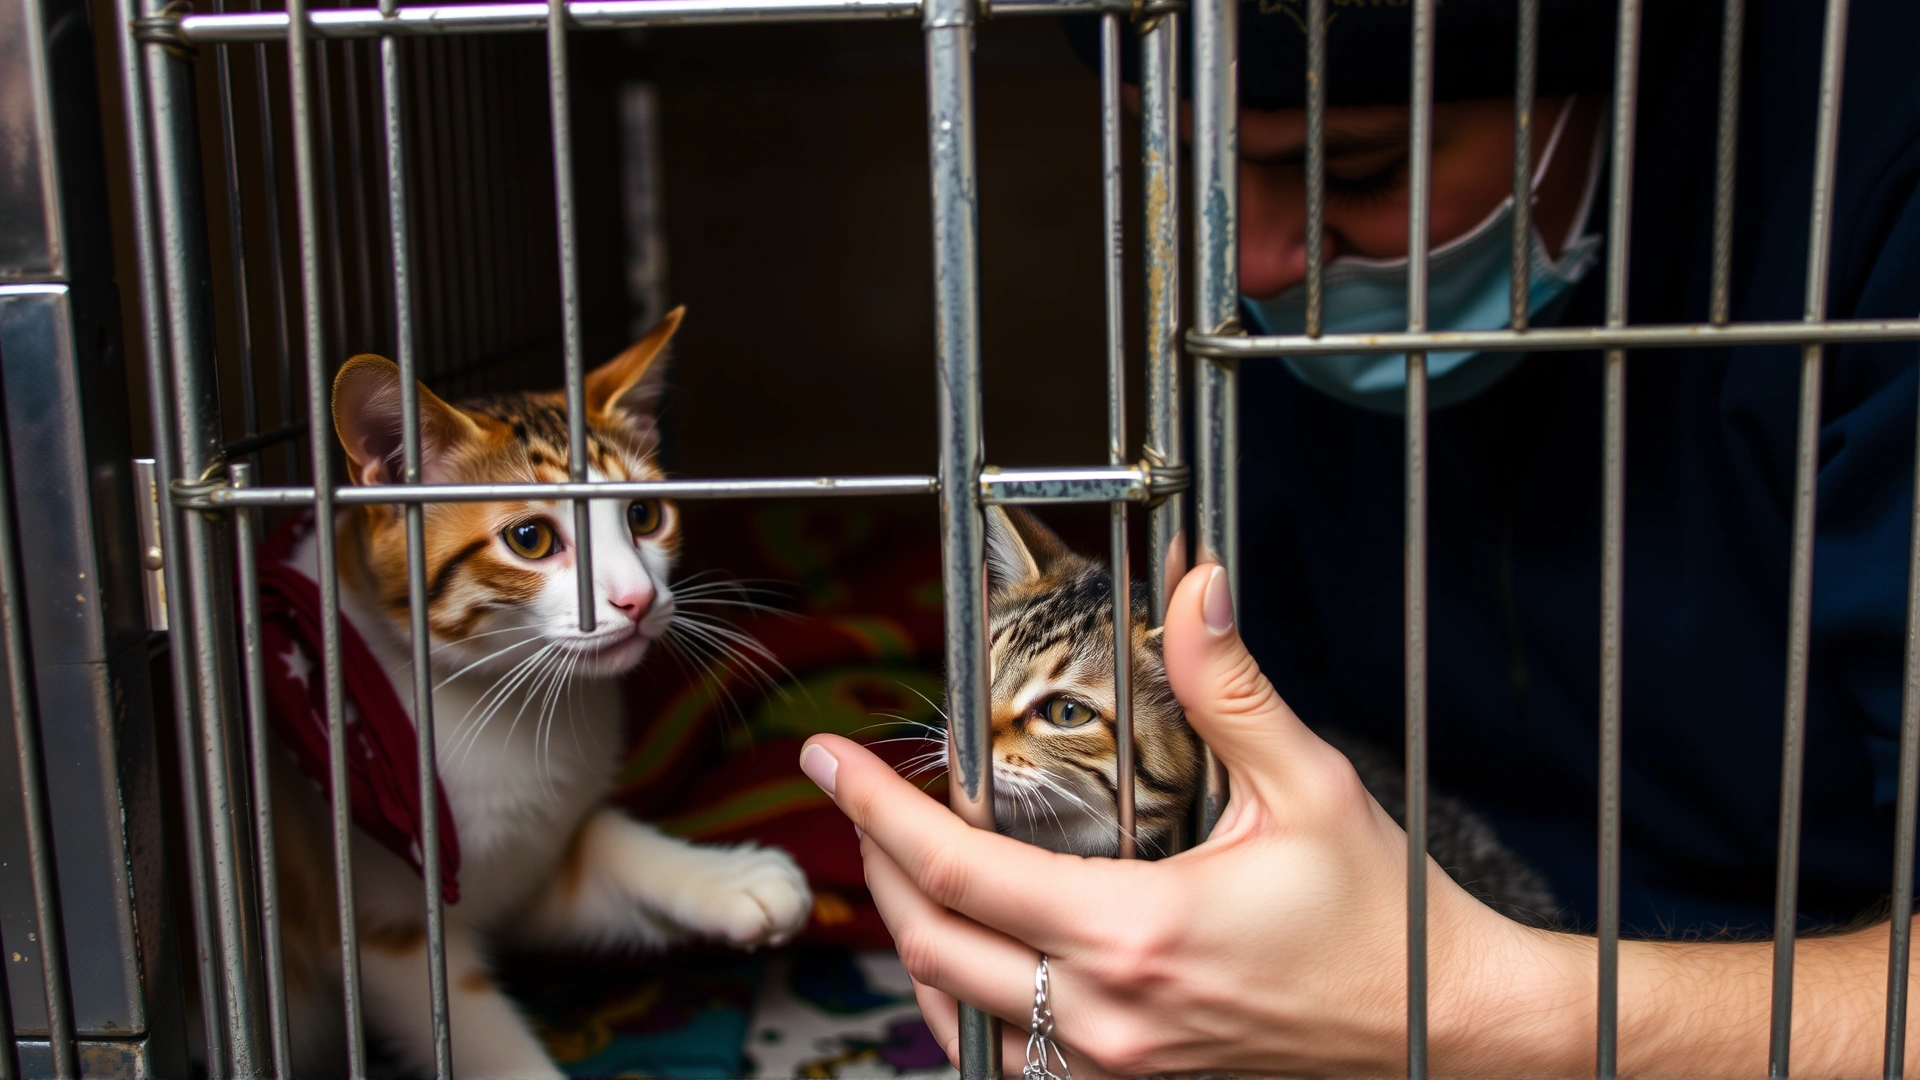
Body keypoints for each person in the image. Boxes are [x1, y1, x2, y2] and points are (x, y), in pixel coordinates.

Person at [799, 0, 1920, 1072]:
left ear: (1600, 82)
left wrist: (1465, 1011)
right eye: (1202, 177)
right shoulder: (1243, 310)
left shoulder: (1868, 172)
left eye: (1361, 168)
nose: (1255, 269)